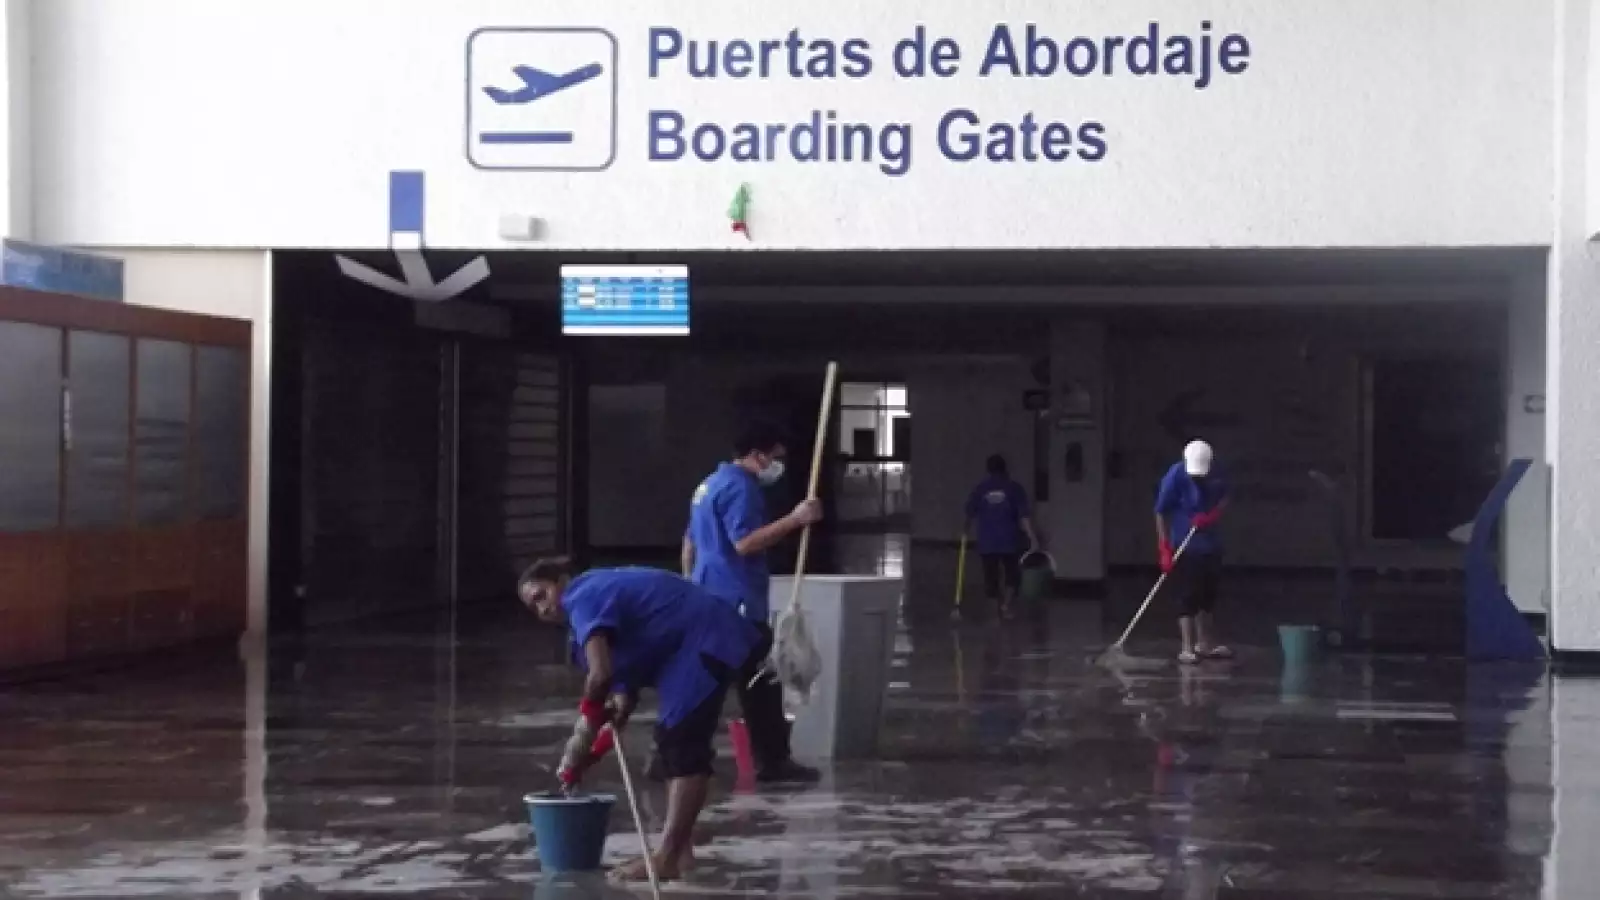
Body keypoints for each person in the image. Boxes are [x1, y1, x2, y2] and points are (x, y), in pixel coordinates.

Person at [518, 558, 766, 882]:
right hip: (683, 651)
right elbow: (622, 697)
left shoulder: (582, 595)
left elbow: (600, 677)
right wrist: (591, 752)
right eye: (534, 607)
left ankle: (668, 857)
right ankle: (681, 848)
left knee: (682, 747)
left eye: (542, 595)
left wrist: (583, 731)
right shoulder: (584, 622)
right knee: (664, 756)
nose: (543, 610)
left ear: (560, 581)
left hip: (704, 638)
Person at [679, 421, 823, 784]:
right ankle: (773, 761)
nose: (779, 464)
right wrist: (795, 519)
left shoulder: (708, 485)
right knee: (761, 680)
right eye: (776, 457)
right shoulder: (742, 488)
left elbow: (690, 543)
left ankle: (670, 753)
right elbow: (744, 543)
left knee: (702, 680)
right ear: (758, 455)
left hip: (709, 596)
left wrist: (691, 584)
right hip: (737, 601)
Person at [1154, 439, 1232, 664]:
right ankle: (1187, 647)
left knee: (1207, 596)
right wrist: (1164, 547)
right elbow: (1160, 511)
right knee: (1187, 596)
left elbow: (1226, 496)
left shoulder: (1217, 471)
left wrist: (1213, 515)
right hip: (1185, 545)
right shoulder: (1176, 475)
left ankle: (1205, 643)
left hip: (1211, 544)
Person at [963, 454, 1040, 620]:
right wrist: (1032, 537)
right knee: (1012, 576)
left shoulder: (981, 489)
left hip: (987, 542)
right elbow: (1023, 516)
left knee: (991, 578)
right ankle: (1006, 606)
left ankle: (995, 611)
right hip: (1009, 541)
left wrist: (965, 530)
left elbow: (970, 512)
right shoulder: (1014, 488)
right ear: (1005, 469)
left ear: (988, 470)